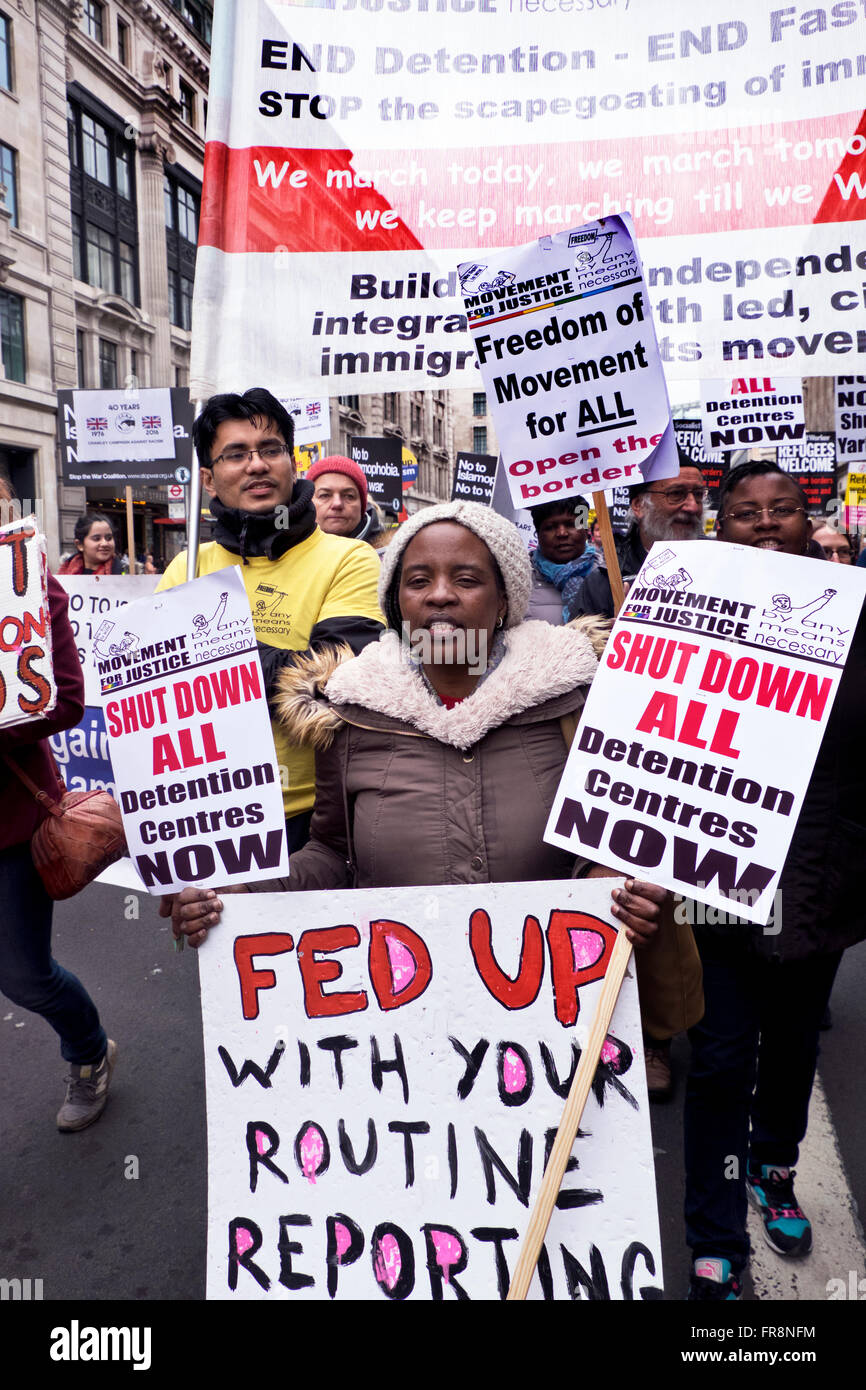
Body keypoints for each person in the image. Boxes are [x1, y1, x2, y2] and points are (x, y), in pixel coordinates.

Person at [167, 505, 705, 1097]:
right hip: (403, 1021)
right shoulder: (350, 713)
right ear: (396, 602)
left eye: (467, 579)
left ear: (505, 599)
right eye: (418, 580)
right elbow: (331, 854)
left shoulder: (579, 705)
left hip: (558, 1021)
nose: (440, 596)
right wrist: (244, 892)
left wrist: (618, 883)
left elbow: (620, 840)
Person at [683, 461, 866, 1300]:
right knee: (720, 1056)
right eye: (746, 512)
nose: (764, 523)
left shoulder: (859, 617)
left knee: (792, 1043)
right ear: (722, 527)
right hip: (717, 878)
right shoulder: (683, 622)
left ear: (809, 520)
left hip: (824, 877)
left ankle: (774, 1167)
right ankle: (713, 1227)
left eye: (782, 510)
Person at [156, 388, 385, 852]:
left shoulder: (351, 559)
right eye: (235, 454)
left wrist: (209, 660)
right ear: (209, 477)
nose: (256, 465)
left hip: (317, 816)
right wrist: (275, 667)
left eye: (270, 449)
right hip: (206, 814)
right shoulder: (186, 569)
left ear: (293, 462)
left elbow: (332, 685)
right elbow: (157, 692)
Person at [0, 484, 116, 1130]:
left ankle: (89, 1052)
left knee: (24, 976)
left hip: (11, 828)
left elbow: (65, 701)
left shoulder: (27, 590)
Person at [570, 456, 707, 621]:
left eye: (698, 494)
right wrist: (606, 636)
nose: (692, 506)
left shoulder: (721, 565)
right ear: (639, 505)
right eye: (676, 494)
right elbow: (579, 644)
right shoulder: (605, 582)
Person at [526, 496, 596, 624]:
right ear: (538, 533)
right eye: (550, 527)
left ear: (586, 530)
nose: (562, 533)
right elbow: (481, 634)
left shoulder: (609, 575)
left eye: (571, 525)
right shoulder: (518, 577)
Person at [307, 455, 388, 548]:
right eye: (324, 495)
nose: (337, 503)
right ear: (308, 503)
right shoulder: (289, 551)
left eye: (349, 496)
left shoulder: (391, 557)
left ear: (362, 505)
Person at [57, 513, 125, 576]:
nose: (105, 543)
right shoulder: (64, 575)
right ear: (79, 545)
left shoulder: (124, 573)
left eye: (109, 538)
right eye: (97, 539)